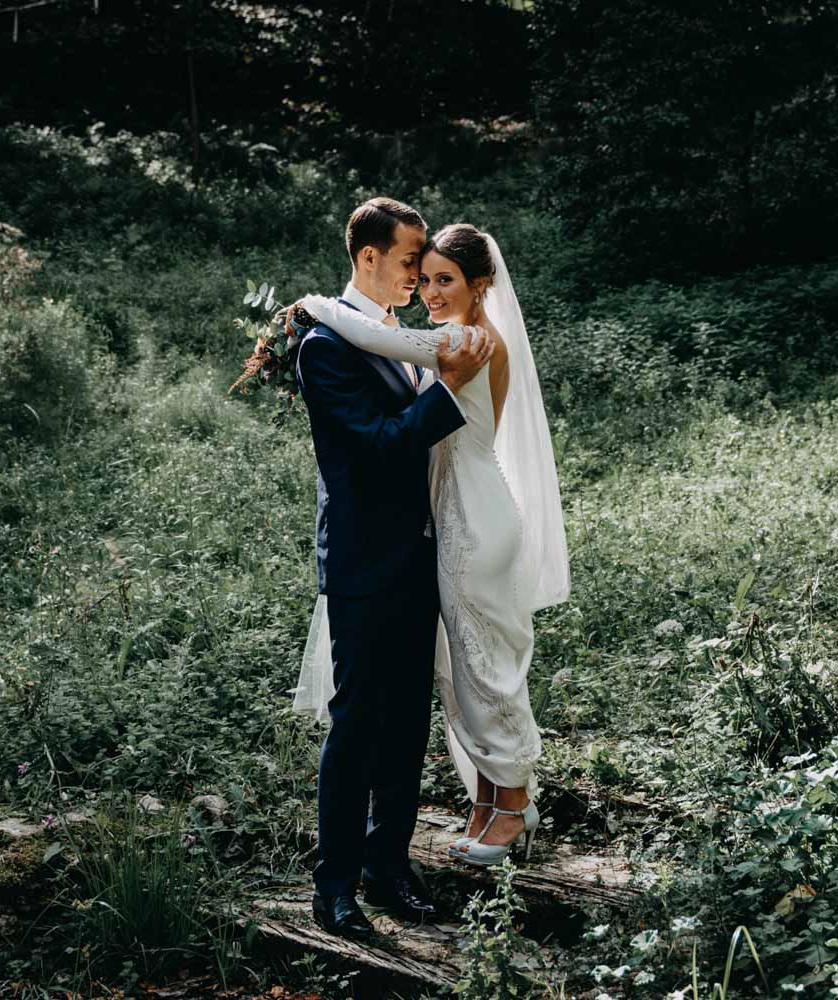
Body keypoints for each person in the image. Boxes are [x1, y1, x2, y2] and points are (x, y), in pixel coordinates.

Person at [295, 221, 570, 878]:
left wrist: (313, 305)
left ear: (481, 287)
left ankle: (514, 803)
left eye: (443, 279)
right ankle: (488, 801)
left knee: (484, 664)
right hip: (453, 518)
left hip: (474, 518)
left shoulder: (467, 339)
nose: (428, 290)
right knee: (464, 665)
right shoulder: (459, 337)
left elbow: (373, 334)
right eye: (424, 278)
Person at [293, 197, 494, 941]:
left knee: (408, 719)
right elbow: (377, 446)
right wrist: (446, 396)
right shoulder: (323, 346)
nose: (418, 273)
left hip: (418, 554)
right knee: (356, 724)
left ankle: (389, 866)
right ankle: (335, 887)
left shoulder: (394, 335)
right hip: (360, 560)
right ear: (369, 256)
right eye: (410, 258)